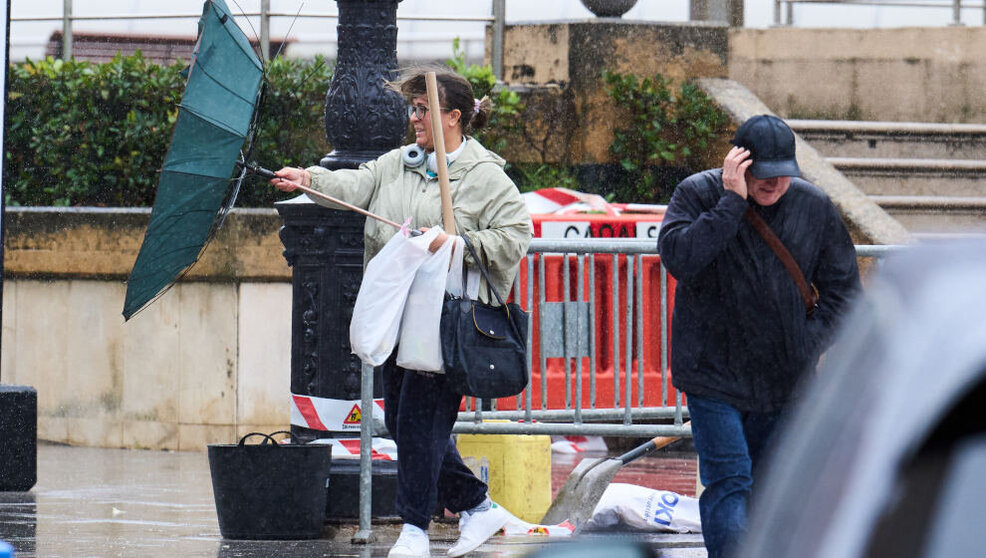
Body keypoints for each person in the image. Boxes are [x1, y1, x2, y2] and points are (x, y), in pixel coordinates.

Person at [269, 68, 533, 558]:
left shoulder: (485, 176)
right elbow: (358, 183)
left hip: (444, 323)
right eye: (411, 109)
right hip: (398, 315)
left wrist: (460, 241)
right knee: (407, 422)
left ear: (454, 117)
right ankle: (477, 505)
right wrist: (310, 178)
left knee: (417, 420)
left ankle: (414, 527)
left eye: (422, 109)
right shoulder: (399, 164)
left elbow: (516, 234)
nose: (414, 118)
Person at [657, 115, 861, 558]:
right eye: (763, 176)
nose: (773, 185)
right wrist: (730, 204)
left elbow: (846, 292)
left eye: (783, 174)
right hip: (713, 375)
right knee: (730, 481)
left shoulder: (813, 206)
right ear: (736, 164)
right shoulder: (697, 194)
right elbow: (681, 260)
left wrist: (807, 342)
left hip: (785, 378)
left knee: (774, 489)